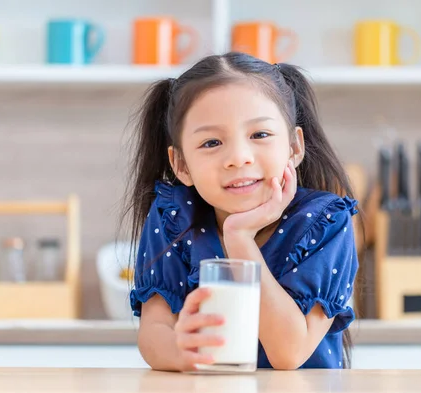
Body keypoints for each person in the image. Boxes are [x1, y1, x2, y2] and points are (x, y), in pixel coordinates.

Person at [120, 52, 360, 372]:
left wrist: (240, 237)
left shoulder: (326, 223)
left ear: (294, 147)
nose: (238, 157)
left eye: (259, 135)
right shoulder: (174, 218)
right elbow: (154, 332)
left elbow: (288, 353)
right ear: (181, 164)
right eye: (211, 142)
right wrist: (179, 349)